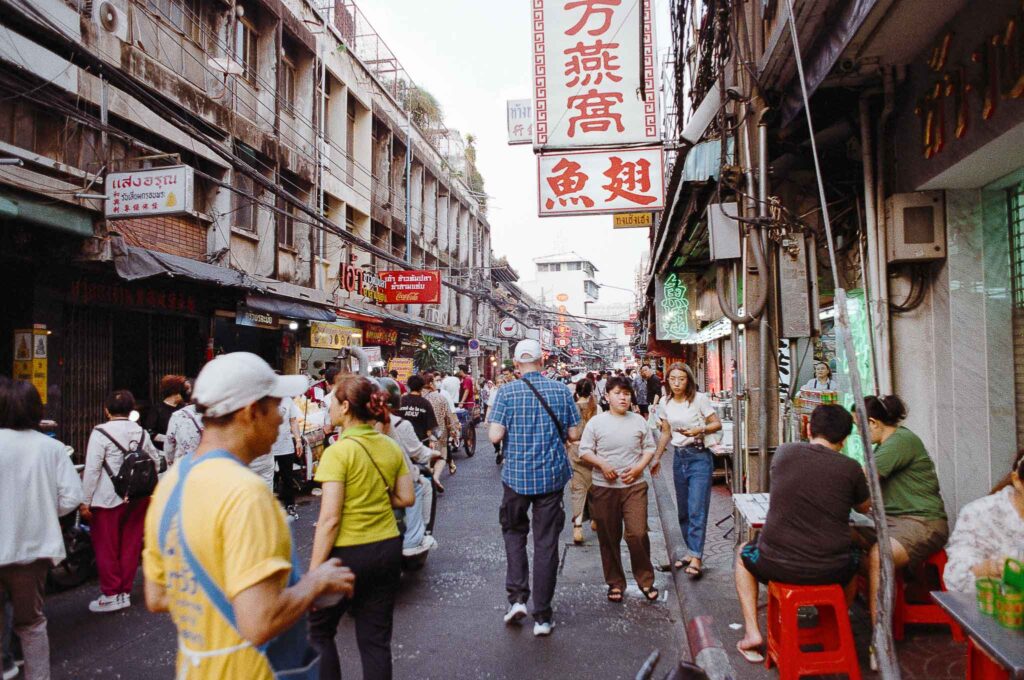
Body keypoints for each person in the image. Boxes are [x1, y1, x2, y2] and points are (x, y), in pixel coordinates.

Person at [143, 351, 354, 680]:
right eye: (275, 408)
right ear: (251, 412)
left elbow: (157, 596)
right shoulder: (247, 493)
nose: (281, 419)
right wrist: (314, 583)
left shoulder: (171, 484)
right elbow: (259, 622)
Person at [733, 405, 871, 663]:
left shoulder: (784, 453)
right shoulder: (851, 468)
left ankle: (752, 633)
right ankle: (835, 627)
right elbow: (864, 507)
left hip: (775, 565)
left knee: (742, 553)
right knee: (855, 560)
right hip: (832, 569)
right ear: (844, 438)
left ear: (808, 428)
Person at [309, 375, 415, 680]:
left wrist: (315, 573)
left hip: (347, 553)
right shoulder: (389, 446)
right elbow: (406, 497)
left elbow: (330, 519)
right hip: (387, 548)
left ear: (345, 406)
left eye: (331, 402)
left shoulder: (338, 452)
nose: (329, 408)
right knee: (375, 641)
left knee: (320, 631)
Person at [488, 339, 581, 637]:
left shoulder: (506, 392)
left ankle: (517, 599)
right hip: (551, 479)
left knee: (514, 534)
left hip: (516, 478)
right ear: (543, 362)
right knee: (546, 543)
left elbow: (493, 436)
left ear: (516, 365)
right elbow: (574, 433)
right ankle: (542, 616)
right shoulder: (560, 390)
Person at [0, 378, 83, 680]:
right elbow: (73, 496)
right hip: (33, 549)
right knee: (31, 624)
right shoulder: (52, 448)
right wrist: (45, 511)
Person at [854, 394, 948, 628]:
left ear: (873, 423)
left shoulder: (900, 442)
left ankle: (880, 637)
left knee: (879, 555)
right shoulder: (885, 446)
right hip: (892, 522)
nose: (858, 434)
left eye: (859, 427)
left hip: (922, 522)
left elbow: (861, 479)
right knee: (842, 538)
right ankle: (896, 585)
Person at [579, 376, 659, 603]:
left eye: (626, 393)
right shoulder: (596, 422)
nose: (623, 397)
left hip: (634, 486)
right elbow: (585, 450)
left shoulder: (638, 421)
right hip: (604, 488)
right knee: (608, 536)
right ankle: (615, 582)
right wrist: (602, 465)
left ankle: (645, 580)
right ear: (607, 396)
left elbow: (649, 448)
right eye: (618, 393)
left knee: (637, 533)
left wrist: (638, 468)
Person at [81, 390, 161, 613]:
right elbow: (155, 460)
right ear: (132, 410)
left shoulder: (100, 432)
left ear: (106, 410)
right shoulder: (141, 432)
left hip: (107, 499)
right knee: (131, 543)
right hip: (138, 497)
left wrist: (85, 501)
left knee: (106, 546)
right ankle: (125, 592)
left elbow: (92, 469)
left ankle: (111, 593)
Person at [651, 363, 722, 579]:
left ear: (688, 380)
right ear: (668, 381)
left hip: (699, 456)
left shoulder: (699, 399)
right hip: (679, 457)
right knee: (682, 510)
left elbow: (716, 424)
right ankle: (690, 550)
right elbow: (665, 432)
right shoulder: (665, 402)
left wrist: (698, 429)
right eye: (673, 379)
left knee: (696, 508)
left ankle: (697, 555)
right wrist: (657, 457)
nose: (677, 383)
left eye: (681, 379)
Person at [944, 449, 1024, 591]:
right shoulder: (979, 514)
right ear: (1017, 480)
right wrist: (991, 567)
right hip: (992, 608)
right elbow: (955, 577)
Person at [567, 378, 599, 544]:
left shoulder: (571, 407)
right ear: (591, 391)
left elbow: (566, 430)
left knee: (578, 489)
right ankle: (595, 519)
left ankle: (577, 527)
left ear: (577, 391)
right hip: (593, 452)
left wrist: (568, 443)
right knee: (594, 487)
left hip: (575, 450)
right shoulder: (597, 408)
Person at [422, 371, 459, 486]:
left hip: (420, 434)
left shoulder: (415, 398)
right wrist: (454, 431)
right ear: (431, 383)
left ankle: (427, 478)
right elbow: (448, 417)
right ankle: (436, 477)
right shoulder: (440, 398)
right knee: (442, 456)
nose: (437, 383)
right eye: (435, 381)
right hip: (438, 432)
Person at [271, 397, 303, 518]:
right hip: (267, 447)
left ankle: (290, 505)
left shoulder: (287, 400)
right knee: (268, 479)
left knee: (287, 478)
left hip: (285, 445)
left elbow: (293, 421)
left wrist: (298, 440)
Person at [145, 374, 186, 453]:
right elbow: (150, 432)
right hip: (163, 451)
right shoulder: (157, 409)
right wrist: (170, 439)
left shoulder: (184, 408)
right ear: (176, 391)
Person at [163, 389, 203, 467]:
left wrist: (170, 463)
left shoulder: (177, 416)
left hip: (184, 465)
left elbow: (169, 443)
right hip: (208, 464)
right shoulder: (215, 416)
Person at [397, 374, 439, 446]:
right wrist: (432, 441)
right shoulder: (425, 403)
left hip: (402, 442)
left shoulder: (401, 401)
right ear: (421, 387)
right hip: (421, 443)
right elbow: (432, 427)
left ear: (409, 386)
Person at [456, 365, 477, 455]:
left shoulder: (467, 379)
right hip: (466, 404)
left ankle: (468, 440)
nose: (457, 371)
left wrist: (462, 402)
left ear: (462, 370)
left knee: (467, 424)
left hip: (468, 404)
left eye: (458, 370)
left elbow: (467, 391)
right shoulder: (464, 379)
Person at [488, 377, 505, 465]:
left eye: (501, 382)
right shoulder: (493, 393)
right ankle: (498, 451)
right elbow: (490, 406)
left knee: (505, 436)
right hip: (496, 417)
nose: (500, 384)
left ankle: (504, 453)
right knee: (495, 439)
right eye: (498, 382)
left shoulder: (508, 391)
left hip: (505, 416)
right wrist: (486, 418)